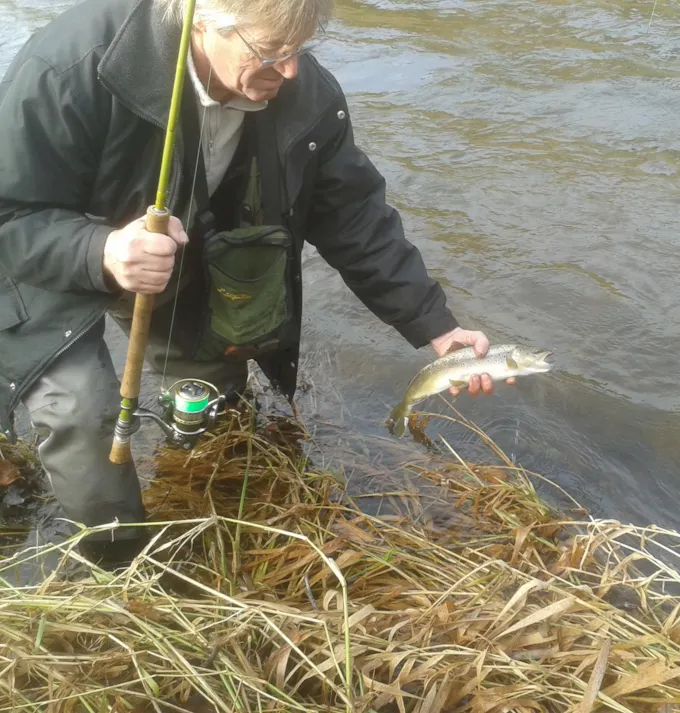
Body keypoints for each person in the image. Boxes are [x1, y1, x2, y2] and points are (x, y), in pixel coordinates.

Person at [0, 0, 512, 569]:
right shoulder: (72, 66)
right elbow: (10, 216)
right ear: (202, 21)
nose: (290, 71)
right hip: (41, 253)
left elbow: (354, 220)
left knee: (212, 410)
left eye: (301, 48)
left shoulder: (304, 93)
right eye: (271, 52)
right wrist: (100, 251)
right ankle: (121, 573)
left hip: (178, 262)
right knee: (83, 415)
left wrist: (436, 328)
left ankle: (195, 507)